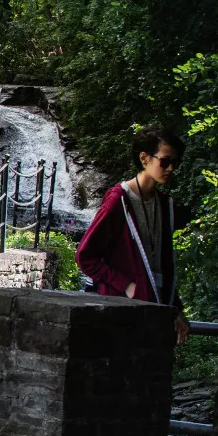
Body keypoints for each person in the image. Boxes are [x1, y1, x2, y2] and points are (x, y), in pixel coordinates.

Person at [77, 127, 190, 342]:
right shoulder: (118, 201)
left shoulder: (165, 204)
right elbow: (85, 256)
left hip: (155, 308)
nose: (171, 168)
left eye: (176, 162)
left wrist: (176, 308)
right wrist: (126, 285)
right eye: (165, 161)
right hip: (121, 312)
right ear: (144, 158)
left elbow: (163, 264)